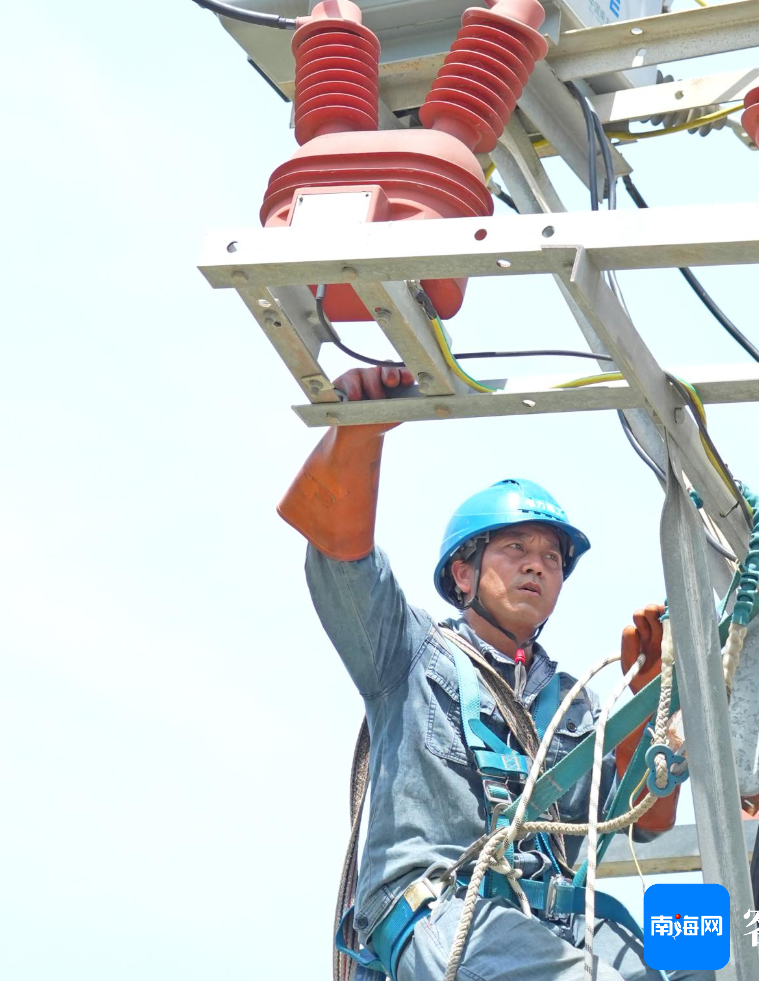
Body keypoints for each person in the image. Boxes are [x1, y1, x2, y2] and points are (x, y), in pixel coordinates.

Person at [279, 364, 680, 980]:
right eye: (514, 548)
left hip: (549, 924)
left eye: (551, 557)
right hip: (439, 914)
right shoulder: (408, 654)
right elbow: (340, 555)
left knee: (691, 963)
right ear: (462, 574)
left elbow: (648, 819)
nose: (537, 567)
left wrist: (647, 695)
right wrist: (359, 434)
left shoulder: (573, 707)